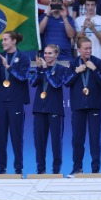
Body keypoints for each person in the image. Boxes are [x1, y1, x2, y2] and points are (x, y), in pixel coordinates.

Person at [0, 31, 30, 176]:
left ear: (13, 41)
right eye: (2, 40)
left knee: (16, 136)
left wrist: (8, 67)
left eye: (5, 40)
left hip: (15, 101)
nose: (3, 42)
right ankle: (1, 169)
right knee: (0, 136)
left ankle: (18, 169)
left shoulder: (23, 57)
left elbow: (22, 77)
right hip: (0, 101)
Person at [65, 37, 101, 176]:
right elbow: (66, 82)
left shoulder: (98, 63)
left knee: (95, 139)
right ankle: (77, 168)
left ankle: (95, 169)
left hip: (94, 105)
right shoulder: (72, 64)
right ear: (79, 49)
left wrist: (94, 70)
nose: (88, 51)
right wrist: (76, 72)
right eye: (85, 48)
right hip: (78, 106)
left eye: (90, 48)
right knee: (77, 139)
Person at [31, 44, 68, 175]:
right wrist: (39, 69)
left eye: (50, 53)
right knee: (39, 142)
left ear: (56, 55)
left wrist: (46, 70)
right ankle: (40, 170)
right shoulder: (41, 68)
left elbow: (56, 84)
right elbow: (33, 83)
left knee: (56, 142)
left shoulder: (62, 69)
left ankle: (56, 170)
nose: (46, 56)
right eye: (45, 53)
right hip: (39, 109)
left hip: (55, 110)